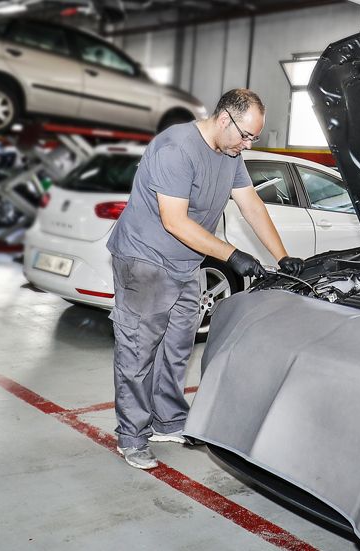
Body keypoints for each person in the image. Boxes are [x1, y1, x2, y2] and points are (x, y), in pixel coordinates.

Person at [106, 88, 304, 469]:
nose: (247, 144)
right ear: (225, 119)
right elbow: (174, 221)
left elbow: (251, 204)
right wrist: (233, 254)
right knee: (138, 349)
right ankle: (131, 436)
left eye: (254, 139)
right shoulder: (177, 148)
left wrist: (282, 256)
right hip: (145, 260)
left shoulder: (231, 154)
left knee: (177, 346)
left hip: (186, 263)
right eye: (245, 135)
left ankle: (168, 420)